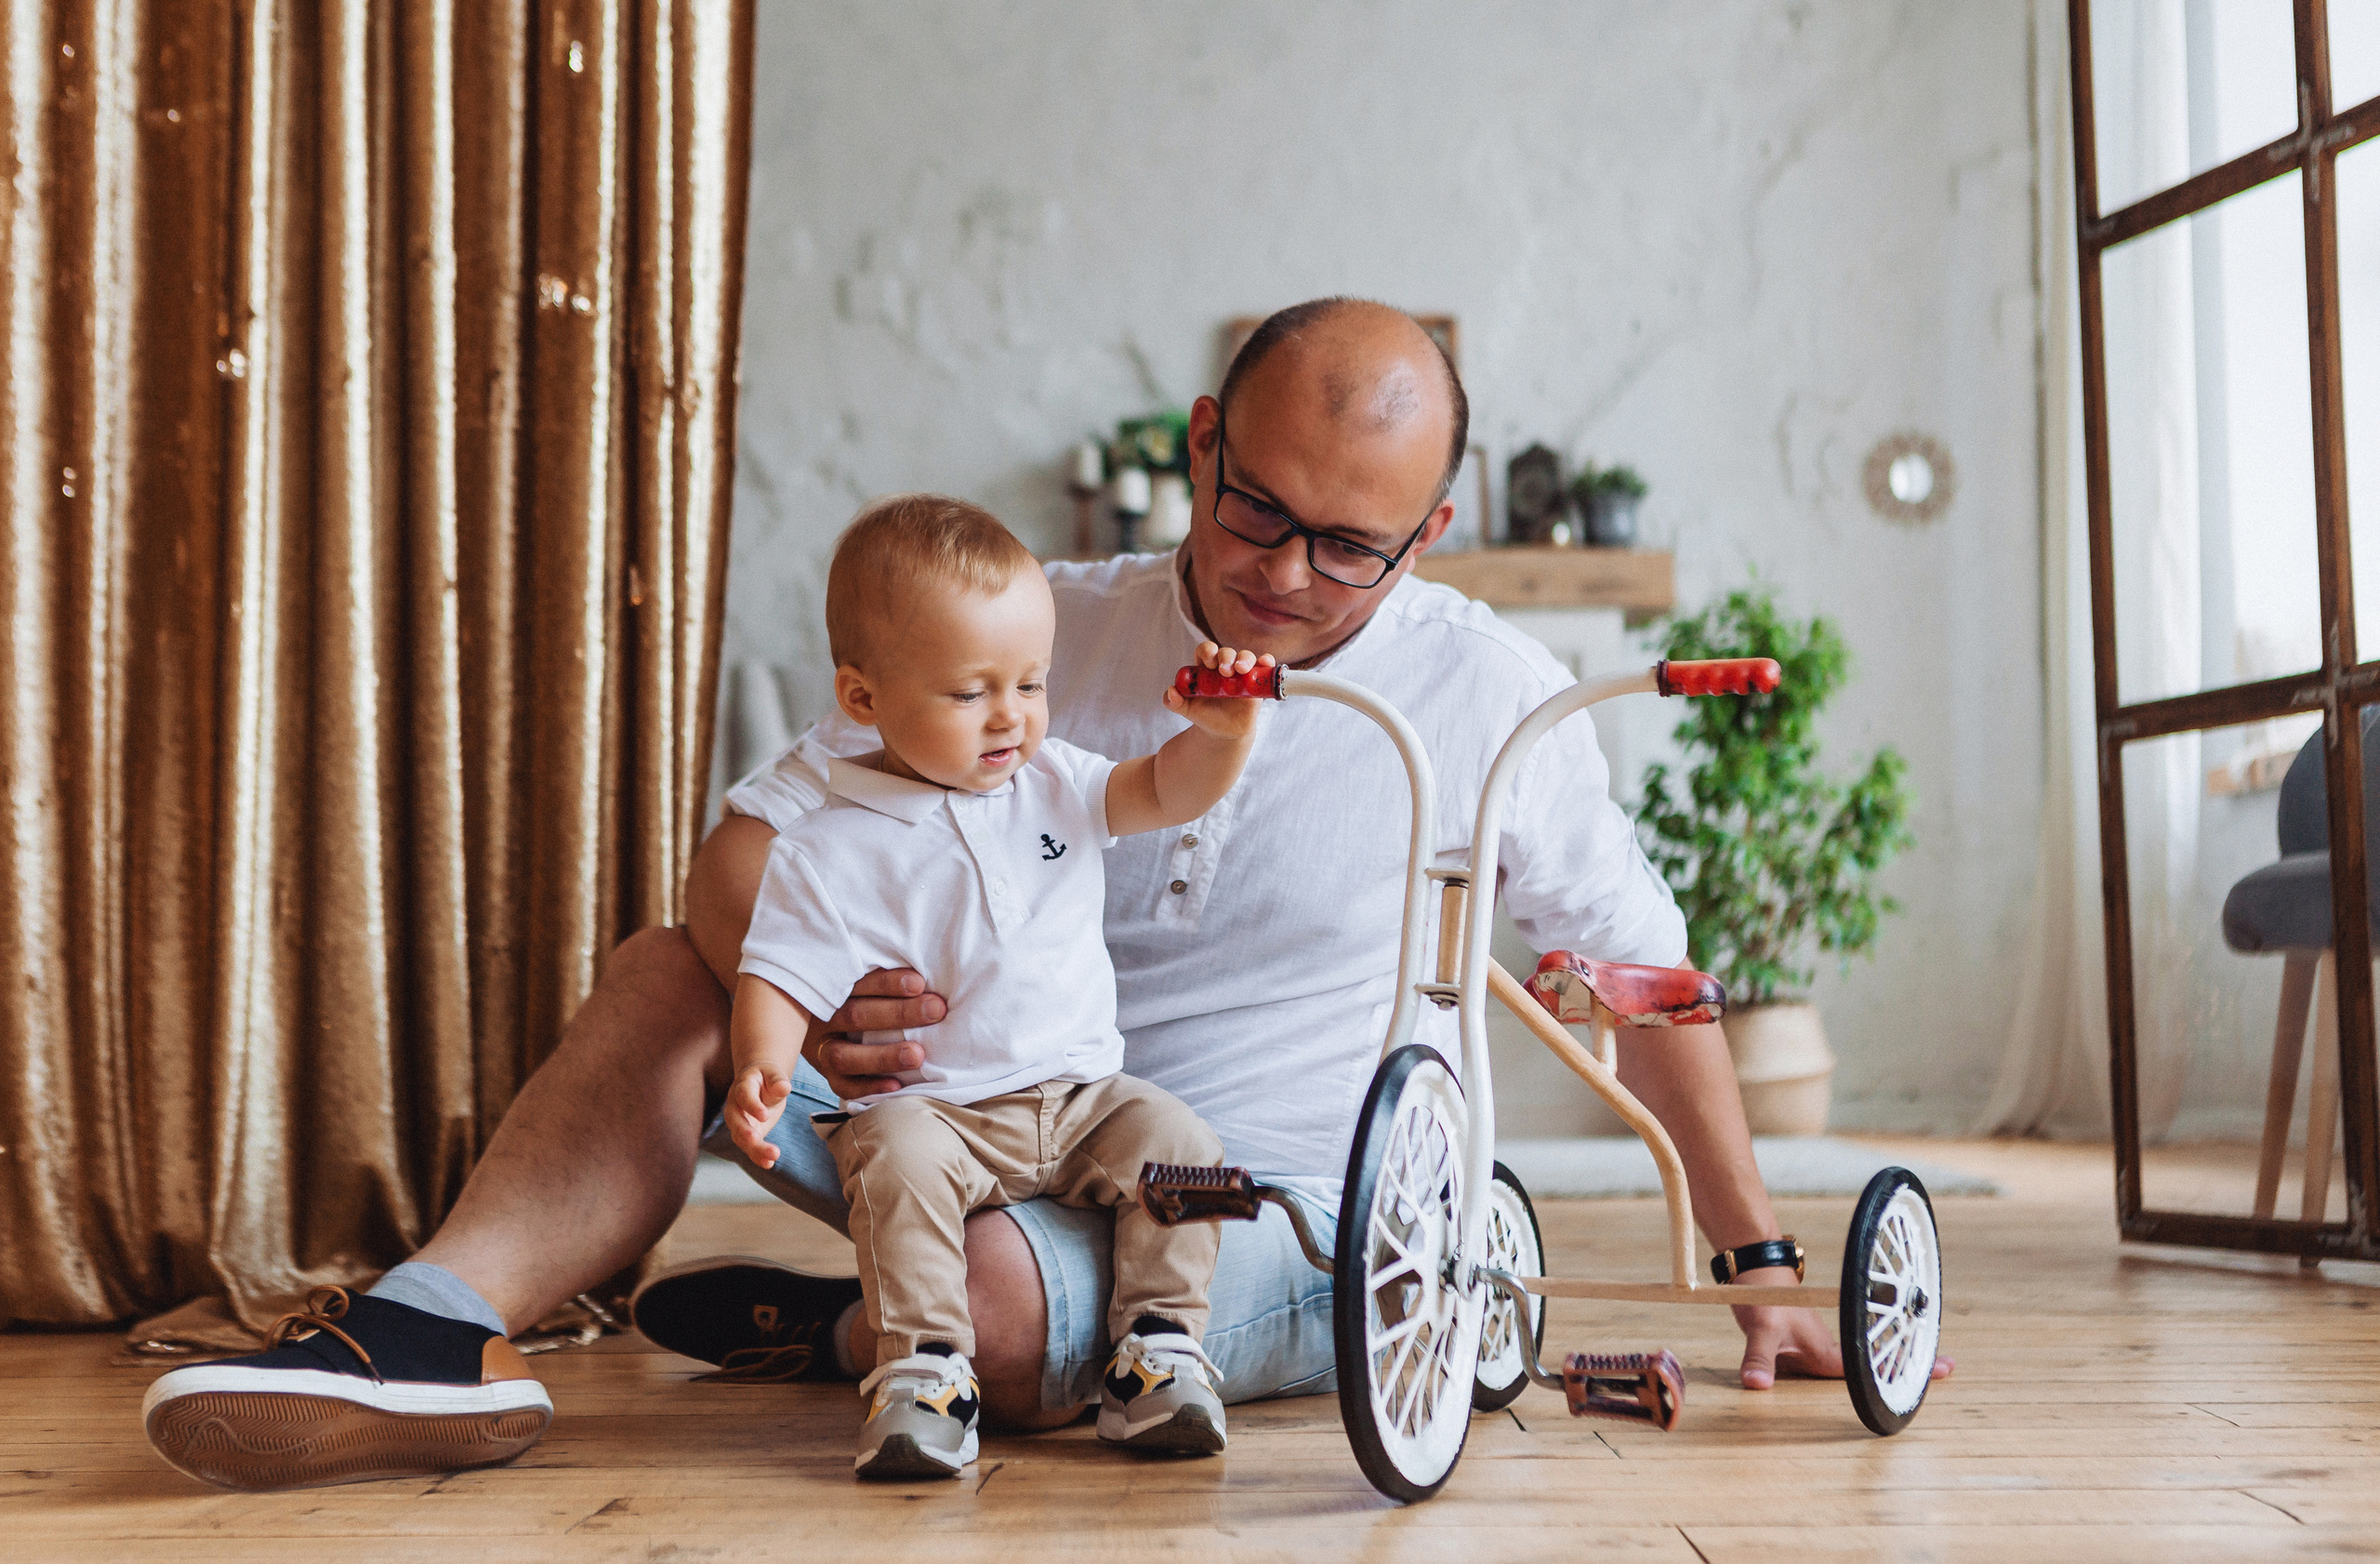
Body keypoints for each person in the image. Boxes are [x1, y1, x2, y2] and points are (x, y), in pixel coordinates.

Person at [141, 297, 1946, 1494]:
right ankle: (431, 1330)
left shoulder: (1485, 694)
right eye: (1252, 514)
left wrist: (1757, 1254)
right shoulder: (1029, 627)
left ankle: (865, 1321)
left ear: (1435, 526)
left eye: (1350, 548)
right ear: (1197, 441)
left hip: (1259, 1199)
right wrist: (799, 983)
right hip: (954, 1112)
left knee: (1000, 1309)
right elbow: (744, 848)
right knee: (679, 961)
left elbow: (1637, 976)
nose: (1285, 575)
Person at [724, 495, 1271, 1478]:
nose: (1010, 715)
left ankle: (1159, 1352)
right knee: (888, 1158)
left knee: (1189, 1151)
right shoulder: (831, 844)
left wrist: (1223, 737)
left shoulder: (1054, 781)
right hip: (943, 1110)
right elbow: (779, 970)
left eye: (1031, 682)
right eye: (970, 693)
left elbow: (1161, 789)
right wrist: (763, 1064)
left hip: (1083, 1097)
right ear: (863, 699)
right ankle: (924, 1371)